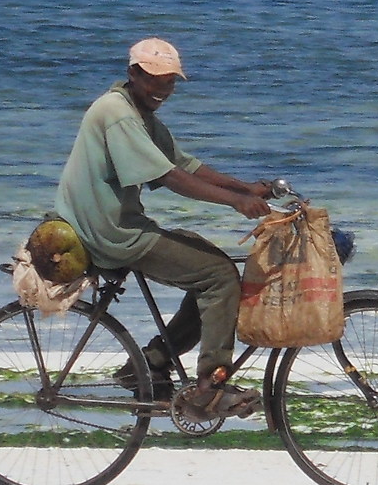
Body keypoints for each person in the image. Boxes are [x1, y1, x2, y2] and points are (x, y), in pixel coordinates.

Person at [51, 38, 273, 417]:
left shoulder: (139, 116)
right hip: (110, 231)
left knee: (212, 263)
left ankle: (152, 363)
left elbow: (185, 165)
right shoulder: (118, 114)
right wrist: (236, 202)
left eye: (169, 81)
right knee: (219, 276)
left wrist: (246, 187)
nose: (162, 89)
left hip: (118, 223)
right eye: (154, 79)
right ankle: (208, 388)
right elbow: (173, 179)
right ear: (133, 74)